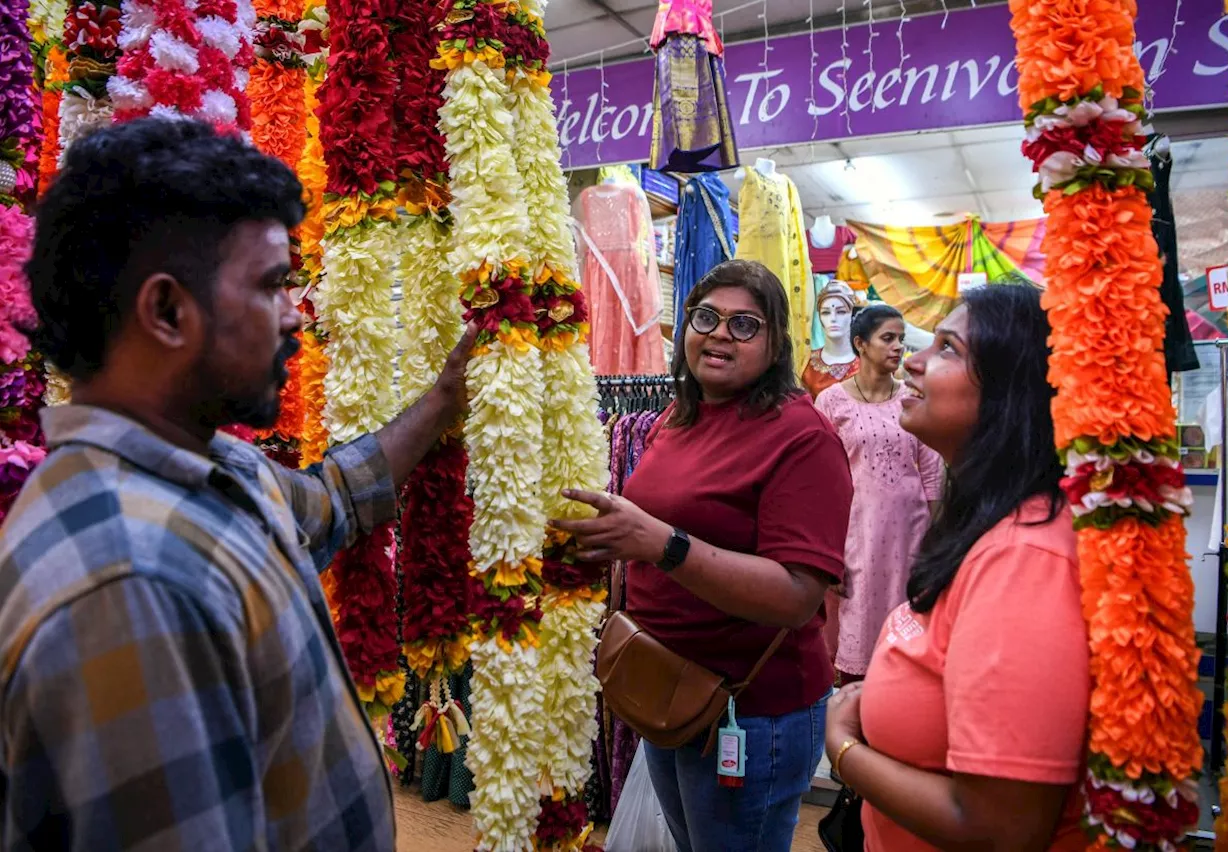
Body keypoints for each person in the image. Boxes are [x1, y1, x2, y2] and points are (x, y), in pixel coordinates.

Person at [0, 119, 477, 851]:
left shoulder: (217, 468)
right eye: (272, 285)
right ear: (166, 311)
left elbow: (334, 500)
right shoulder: (136, 583)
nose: (297, 314)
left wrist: (443, 400)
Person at [555, 260, 852, 852]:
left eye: (744, 325)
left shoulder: (802, 437)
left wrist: (662, 546)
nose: (719, 334)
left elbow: (797, 597)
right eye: (706, 317)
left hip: (751, 711)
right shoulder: (678, 417)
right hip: (668, 690)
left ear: (776, 345)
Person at [823, 284, 1090, 851]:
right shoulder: (982, 528)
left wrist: (845, 748)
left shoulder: (1024, 560)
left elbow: (1000, 829)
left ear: (1009, 392)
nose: (912, 359)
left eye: (946, 348)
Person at [815, 303, 942, 683]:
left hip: (910, 534)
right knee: (856, 630)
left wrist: (937, 544)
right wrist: (826, 554)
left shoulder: (913, 397)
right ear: (861, 344)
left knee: (907, 632)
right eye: (888, 338)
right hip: (856, 536)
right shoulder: (831, 403)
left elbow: (933, 473)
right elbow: (821, 482)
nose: (898, 347)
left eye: (901, 339)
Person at [801, 280, 861, 399]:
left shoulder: (865, 366)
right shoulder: (806, 362)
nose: (833, 319)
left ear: (852, 315)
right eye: (826, 313)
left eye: (841, 312)